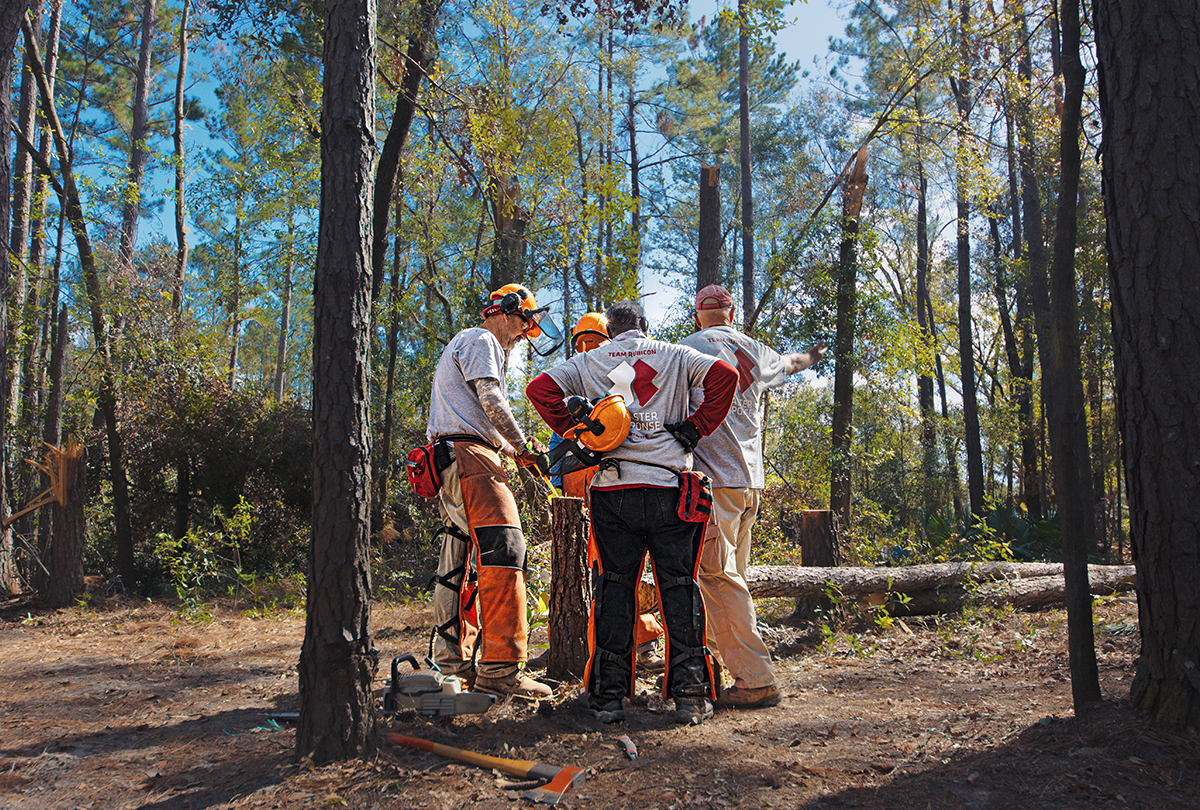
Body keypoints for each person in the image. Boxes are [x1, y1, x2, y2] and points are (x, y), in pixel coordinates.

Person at [527, 300, 737, 725]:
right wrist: (697, 427)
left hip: (612, 488)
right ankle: (691, 696)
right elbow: (725, 377)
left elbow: (539, 391)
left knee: (615, 588)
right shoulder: (674, 354)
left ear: (611, 329)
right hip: (669, 487)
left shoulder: (590, 360)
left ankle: (607, 698)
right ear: (645, 325)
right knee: (679, 587)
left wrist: (577, 433)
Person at [679, 284, 826, 709]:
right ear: (732, 313)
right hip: (750, 485)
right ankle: (716, 668)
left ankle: (755, 679)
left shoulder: (685, 349)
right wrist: (815, 355)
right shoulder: (754, 349)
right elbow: (795, 362)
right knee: (731, 580)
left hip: (715, 484)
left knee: (717, 578)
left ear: (697, 315)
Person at [426, 283, 562, 699]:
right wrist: (520, 446)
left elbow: (478, 417)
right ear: (506, 311)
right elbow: (492, 404)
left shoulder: (472, 344)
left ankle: (451, 662)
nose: (523, 336)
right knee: (505, 549)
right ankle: (501, 666)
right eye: (524, 325)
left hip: (457, 453)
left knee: (460, 558)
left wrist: (519, 453)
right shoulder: (482, 338)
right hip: (470, 457)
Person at [551, 313, 666, 675]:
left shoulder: (616, 378)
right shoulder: (583, 378)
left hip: (609, 486)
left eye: (593, 341)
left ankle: (640, 644)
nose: (588, 348)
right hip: (585, 491)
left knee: (619, 569)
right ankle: (596, 647)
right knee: (602, 572)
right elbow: (559, 440)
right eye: (582, 343)